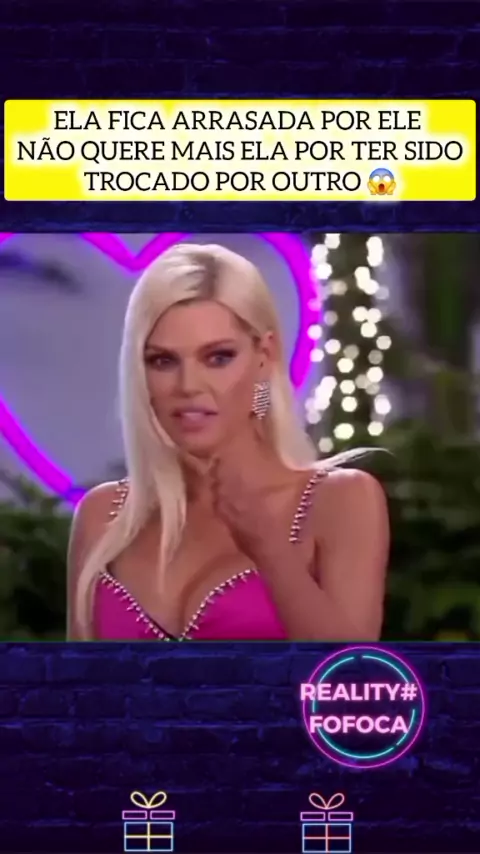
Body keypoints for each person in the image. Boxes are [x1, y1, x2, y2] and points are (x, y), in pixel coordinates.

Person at [67, 243, 389, 642]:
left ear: (264, 356)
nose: (188, 386)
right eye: (163, 361)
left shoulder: (341, 501)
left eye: (218, 357)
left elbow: (351, 672)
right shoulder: (102, 517)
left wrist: (269, 548)